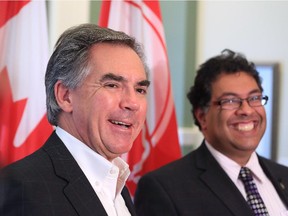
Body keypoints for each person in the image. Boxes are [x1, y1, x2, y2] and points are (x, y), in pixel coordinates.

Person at [0, 24, 150, 216]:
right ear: (65, 96)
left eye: (140, 90)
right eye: (112, 85)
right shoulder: (20, 188)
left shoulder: (116, 186)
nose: (132, 103)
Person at [134, 49, 288, 216]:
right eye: (230, 101)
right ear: (202, 117)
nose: (246, 110)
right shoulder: (164, 188)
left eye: (254, 98)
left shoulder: (283, 175)